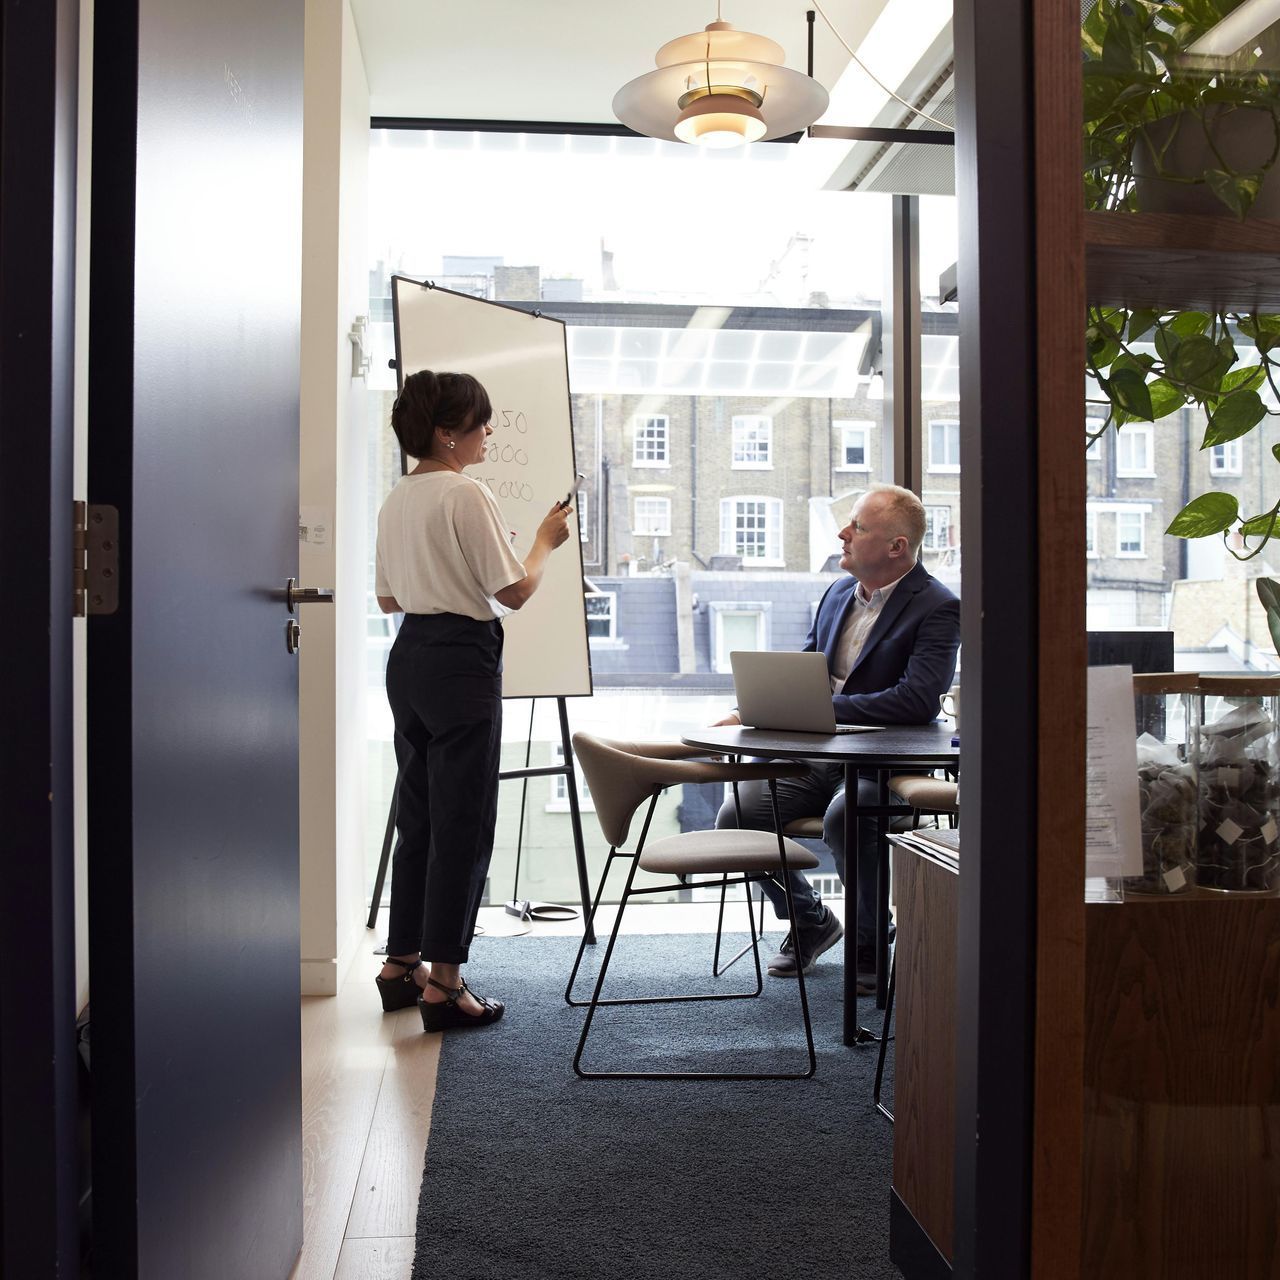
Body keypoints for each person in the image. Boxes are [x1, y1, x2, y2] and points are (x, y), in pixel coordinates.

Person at [373, 369, 572, 1030]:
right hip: (461, 659)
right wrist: (544, 541)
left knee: (420, 815)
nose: (489, 432)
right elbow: (514, 592)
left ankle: (402, 963)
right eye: (481, 423)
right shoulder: (465, 492)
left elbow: (389, 598)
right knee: (463, 820)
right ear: (447, 433)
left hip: (409, 657)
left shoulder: (398, 498)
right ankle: (447, 985)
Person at [714, 484, 959, 986]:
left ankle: (870, 939)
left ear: (897, 547)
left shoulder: (937, 606)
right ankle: (810, 919)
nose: (843, 534)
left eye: (859, 527)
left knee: (847, 817)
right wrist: (754, 707)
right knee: (737, 815)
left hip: (882, 763)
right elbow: (805, 671)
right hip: (818, 755)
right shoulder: (834, 595)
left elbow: (915, 700)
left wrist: (822, 707)